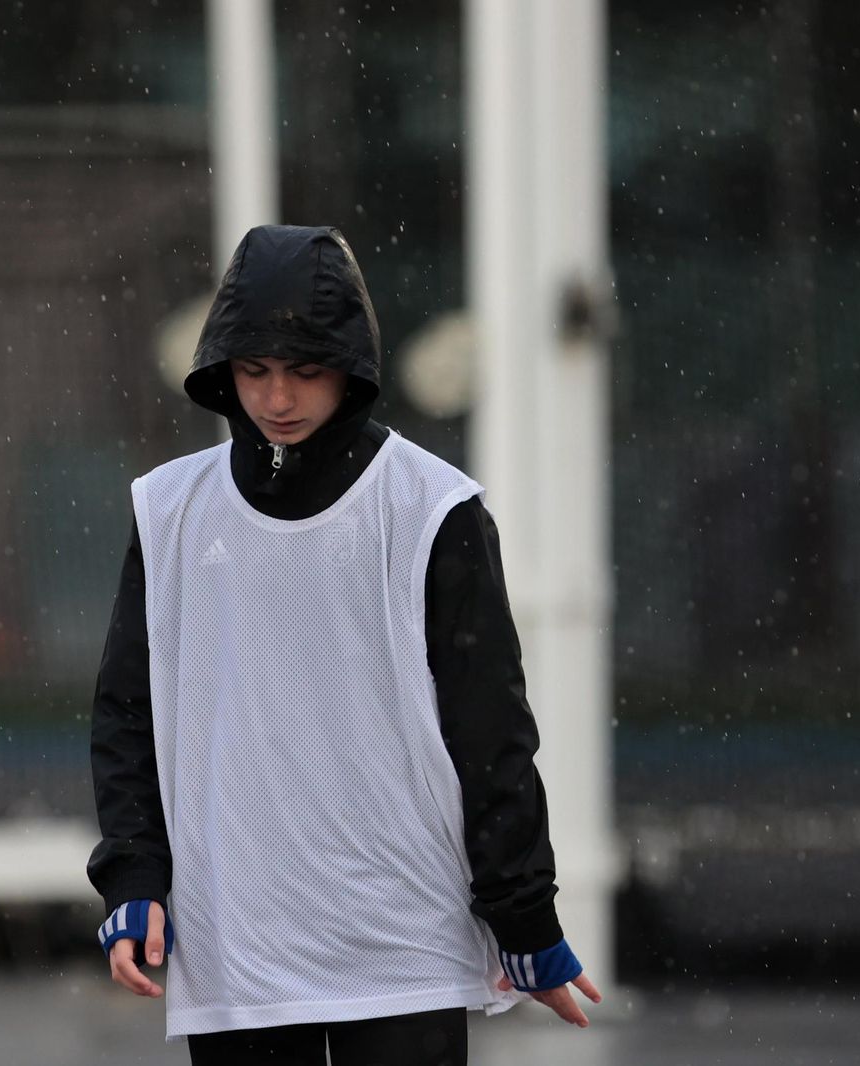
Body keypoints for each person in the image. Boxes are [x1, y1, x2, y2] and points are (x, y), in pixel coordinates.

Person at [88, 224, 601, 1065]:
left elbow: (489, 730)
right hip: (236, 945)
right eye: (254, 371)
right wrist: (133, 877)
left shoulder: (434, 510)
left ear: (351, 370)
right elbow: (127, 714)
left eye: (304, 370)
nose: (277, 397)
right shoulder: (170, 511)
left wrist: (524, 915)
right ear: (223, 370)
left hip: (404, 939)